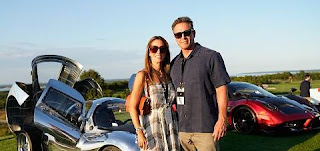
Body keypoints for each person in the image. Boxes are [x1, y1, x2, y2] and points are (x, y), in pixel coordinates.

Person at [170, 16, 231, 151]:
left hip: (206, 128)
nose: (183, 37)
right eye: (178, 35)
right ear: (174, 37)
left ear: (194, 33)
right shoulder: (173, 64)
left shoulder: (211, 57)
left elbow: (221, 88)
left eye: (187, 32)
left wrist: (222, 119)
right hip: (182, 130)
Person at [128, 36, 180, 151]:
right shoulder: (143, 75)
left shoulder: (169, 75)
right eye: (154, 48)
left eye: (162, 49)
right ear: (149, 52)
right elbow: (132, 107)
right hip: (152, 126)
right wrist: (139, 132)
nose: (158, 52)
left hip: (171, 125)